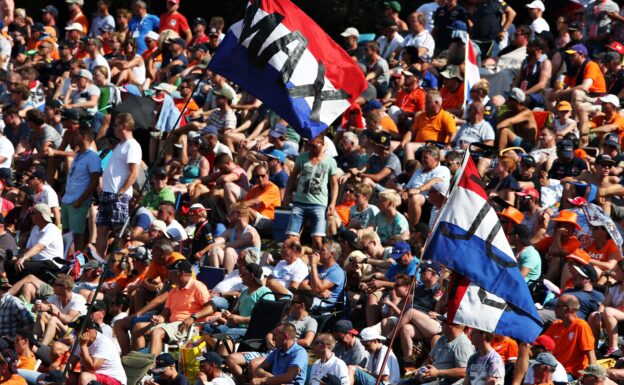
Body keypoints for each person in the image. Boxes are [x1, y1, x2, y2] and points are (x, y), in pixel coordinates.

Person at [133, 259, 213, 355]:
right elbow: (164, 315)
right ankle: (139, 360)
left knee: (157, 332)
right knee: (137, 327)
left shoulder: (197, 286)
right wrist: (157, 319)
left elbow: (211, 308)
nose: (169, 275)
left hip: (188, 327)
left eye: (172, 273)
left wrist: (192, 317)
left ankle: (151, 365)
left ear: (181, 273)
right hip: (172, 325)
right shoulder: (174, 291)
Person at [96, 112, 141, 259]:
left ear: (124, 126)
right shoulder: (120, 145)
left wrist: (121, 191)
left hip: (118, 194)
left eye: (115, 125)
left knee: (120, 232)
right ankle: (100, 261)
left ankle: (122, 263)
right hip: (107, 192)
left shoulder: (132, 145)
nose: (113, 128)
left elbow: (134, 172)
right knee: (101, 229)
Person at [283, 135, 339, 250]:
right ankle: (296, 260)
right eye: (308, 145)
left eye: (314, 146)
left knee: (318, 241)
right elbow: (292, 177)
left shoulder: (330, 161)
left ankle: (314, 262)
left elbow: (334, 184)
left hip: (319, 204)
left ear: (322, 145)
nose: (311, 148)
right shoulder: (302, 158)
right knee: (291, 238)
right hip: (299, 203)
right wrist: (287, 195)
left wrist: (332, 203)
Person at [60, 124, 101, 251]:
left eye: (76, 134)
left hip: (77, 201)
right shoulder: (78, 154)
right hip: (68, 200)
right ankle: (66, 259)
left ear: (84, 137)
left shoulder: (93, 157)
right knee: (65, 233)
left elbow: (94, 181)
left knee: (77, 235)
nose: (74, 137)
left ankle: (77, 262)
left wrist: (80, 201)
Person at [4, 203, 63, 284]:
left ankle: (14, 290)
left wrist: (23, 258)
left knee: (21, 267)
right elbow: (28, 249)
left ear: (41, 215)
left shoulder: (52, 229)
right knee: (9, 263)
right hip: (38, 262)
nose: (30, 215)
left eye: (32, 213)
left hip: (51, 264)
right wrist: (17, 257)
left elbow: (39, 246)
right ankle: (12, 288)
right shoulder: (35, 228)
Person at [543, 294, 595, 378]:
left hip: (572, 373)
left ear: (568, 309)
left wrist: (592, 376)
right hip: (554, 370)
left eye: (558, 306)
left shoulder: (581, 325)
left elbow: (590, 353)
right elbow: (540, 344)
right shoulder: (555, 325)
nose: (555, 308)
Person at [68, 315, 127, 385]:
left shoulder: (104, 342)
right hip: (92, 377)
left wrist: (83, 346)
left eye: (76, 330)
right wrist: (64, 369)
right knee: (68, 376)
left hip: (114, 380)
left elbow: (90, 369)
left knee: (85, 377)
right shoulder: (78, 340)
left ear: (86, 331)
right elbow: (72, 362)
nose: (74, 333)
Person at [300, 239, 345, 310]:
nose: (318, 252)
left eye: (322, 250)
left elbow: (318, 288)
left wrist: (313, 265)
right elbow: (302, 285)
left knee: (298, 303)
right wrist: (318, 293)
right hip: (313, 299)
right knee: (294, 300)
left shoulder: (337, 272)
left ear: (331, 254)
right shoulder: (318, 268)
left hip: (325, 305)